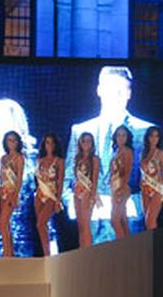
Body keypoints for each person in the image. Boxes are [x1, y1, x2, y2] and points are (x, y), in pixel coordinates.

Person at [66, 66, 155, 219]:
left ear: (129, 94)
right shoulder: (80, 130)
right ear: (99, 91)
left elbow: (160, 182)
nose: (116, 96)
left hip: (129, 224)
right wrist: (73, 205)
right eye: (111, 90)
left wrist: (133, 206)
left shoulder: (147, 131)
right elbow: (66, 178)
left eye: (121, 90)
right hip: (90, 224)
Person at [34, 133, 65, 256]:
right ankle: (47, 253)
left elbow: (61, 180)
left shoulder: (59, 161)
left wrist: (58, 199)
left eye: (52, 142)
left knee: (40, 223)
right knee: (42, 226)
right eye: (47, 142)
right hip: (40, 195)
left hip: (52, 195)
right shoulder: (39, 160)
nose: (50, 145)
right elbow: (37, 179)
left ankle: (48, 253)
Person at [0, 131, 25, 257]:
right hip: (2, 192)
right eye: (9, 140)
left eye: (14, 140)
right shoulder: (3, 158)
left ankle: (7, 254)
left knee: (2, 223)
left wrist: (15, 195)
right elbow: (1, 177)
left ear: (18, 142)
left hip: (11, 192)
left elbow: (19, 179)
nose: (12, 143)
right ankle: (10, 253)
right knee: (5, 223)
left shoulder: (19, 158)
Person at [72, 131, 100, 247]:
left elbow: (95, 178)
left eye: (89, 141)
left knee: (85, 223)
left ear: (92, 143)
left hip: (88, 192)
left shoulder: (94, 159)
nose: (86, 143)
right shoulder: (78, 158)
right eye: (83, 141)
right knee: (80, 225)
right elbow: (76, 176)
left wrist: (93, 196)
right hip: (78, 191)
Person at [140, 127, 163, 230]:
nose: (154, 138)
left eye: (156, 136)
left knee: (150, 219)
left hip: (157, 188)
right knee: (148, 222)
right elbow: (142, 174)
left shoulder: (161, 153)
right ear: (148, 137)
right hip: (145, 189)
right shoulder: (143, 153)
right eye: (151, 136)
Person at [109, 126, 135, 239]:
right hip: (115, 187)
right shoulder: (116, 151)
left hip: (122, 188)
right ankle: (129, 248)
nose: (121, 138)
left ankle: (122, 247)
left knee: (114, 220)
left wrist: (121, 188)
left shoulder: (127, 151)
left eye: (123, 135)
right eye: (118, 135)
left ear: (127, 137)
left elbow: (128, 171)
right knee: (123, 220)